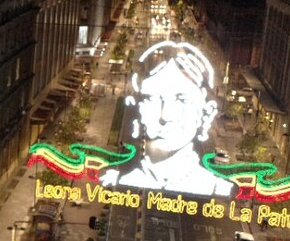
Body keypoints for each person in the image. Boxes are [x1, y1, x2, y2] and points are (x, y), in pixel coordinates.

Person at [100, 41, 235, 197]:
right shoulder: (123, 180)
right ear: (138, 107)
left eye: (182, 100)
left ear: (205, 112)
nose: (165, 116)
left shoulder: (218, 189)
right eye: (153, 98)